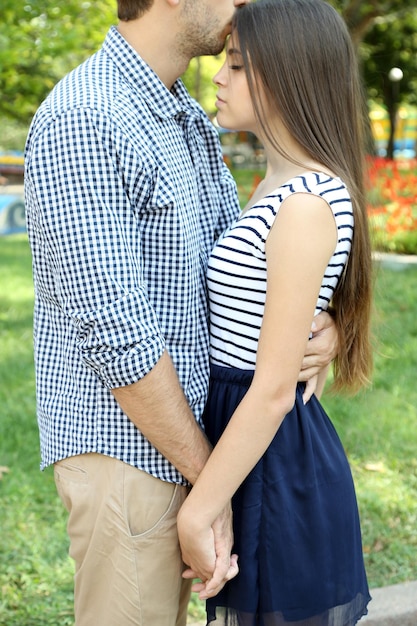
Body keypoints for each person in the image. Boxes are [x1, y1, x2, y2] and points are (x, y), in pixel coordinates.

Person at [24, 0, 339, 624]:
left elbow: (235, 270)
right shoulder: (87, 117)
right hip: (131, 455)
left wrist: (319, 328)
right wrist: (208, 486)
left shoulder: (183, 116)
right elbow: (114, 332)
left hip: (193, 449)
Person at [177, 0, 373, 624]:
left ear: (287, 75)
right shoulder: (274, 188)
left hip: (275, 458)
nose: (216, 75)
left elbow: (270, 392)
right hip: (248, 441)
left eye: (236, 65)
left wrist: (198, 510)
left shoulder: (305, 202)